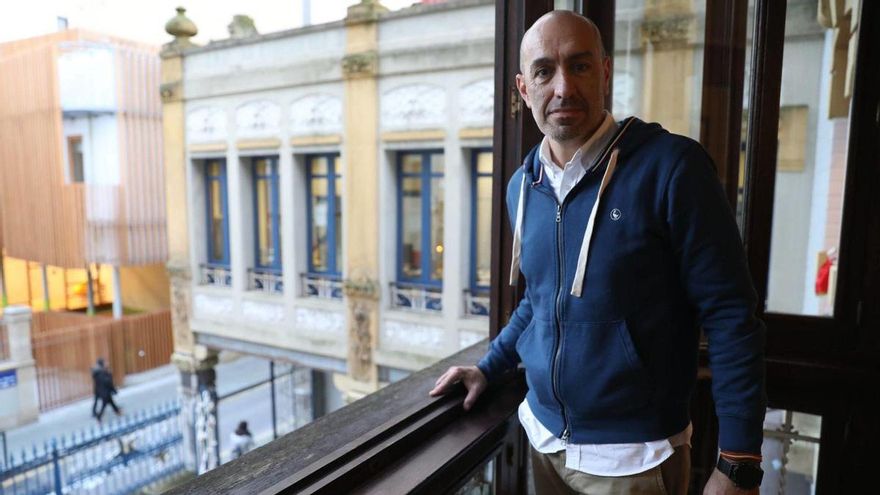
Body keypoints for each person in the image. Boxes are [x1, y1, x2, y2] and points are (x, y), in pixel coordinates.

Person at [430, 11, 766, 495]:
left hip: (635, 460)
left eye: (580, 66)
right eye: (544, 71)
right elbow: (540, 300)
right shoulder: (523, 186)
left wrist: (738, 462)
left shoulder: (672, 168)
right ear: (524, 89)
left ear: (605, 73)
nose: (563, 87)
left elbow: (732, 315)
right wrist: (489, 366)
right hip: (542, 440)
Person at [93, 358, 122, 422]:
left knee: (111, 402)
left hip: (104, 392)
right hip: (104, 392)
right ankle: (99, 416)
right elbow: (107, 382)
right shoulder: (101, 373)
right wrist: (109, 375)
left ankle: (117, 411)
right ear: (102, 364)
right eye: (105, 362)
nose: (107, 363)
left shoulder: (100, 372)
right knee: (104, 405)